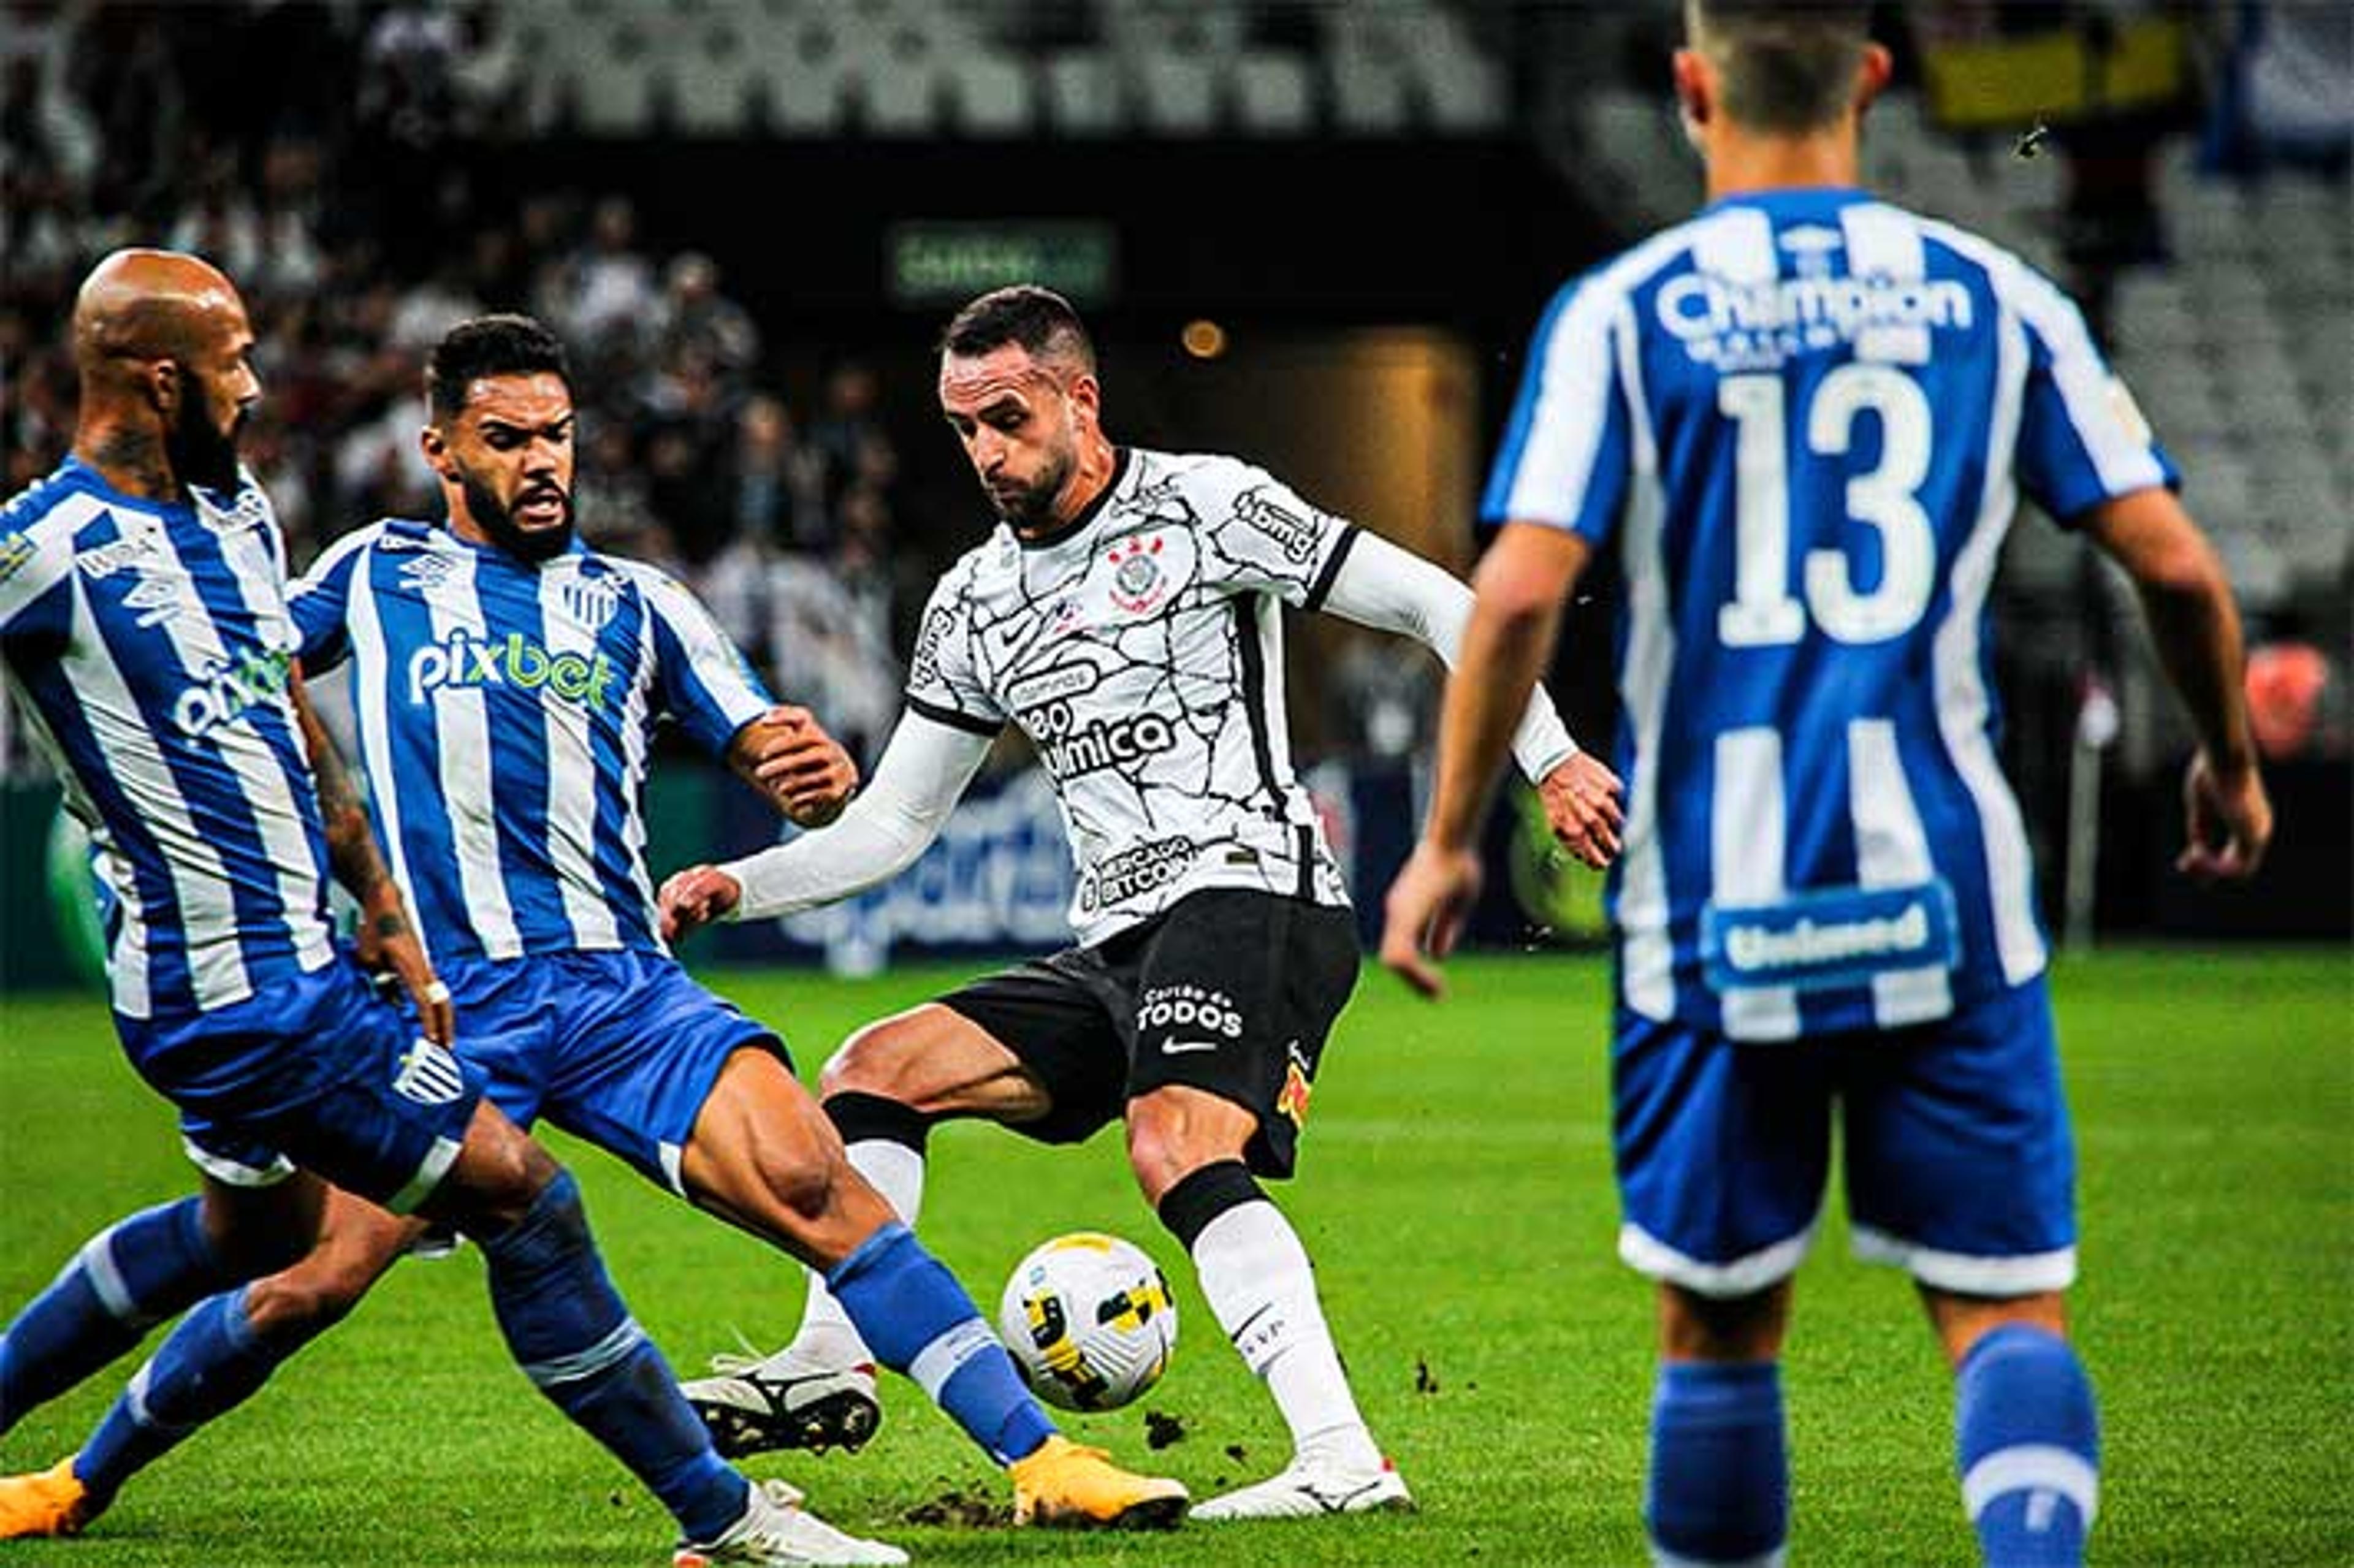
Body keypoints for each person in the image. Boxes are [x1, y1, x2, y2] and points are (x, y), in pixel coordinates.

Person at [0, 304, 1186, 1555]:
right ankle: (79, 1477)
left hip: (623, 990)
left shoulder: (641, 603)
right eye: (506, 437)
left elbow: (764, 737)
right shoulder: (368, 573)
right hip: (449, 1009)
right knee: (308, 1275)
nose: (542, 461)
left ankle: (1044, 1459)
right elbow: (226, 677)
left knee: (811, 1178)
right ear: (441, 449)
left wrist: (807, 774)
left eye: (557, 435)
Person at [1378, 7, 2274, 1566]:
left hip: (1716, 911)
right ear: (1875, 77)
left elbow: (1516, 597)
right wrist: (2228, 759)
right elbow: (2181, 572)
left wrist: (1452, 840)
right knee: (2003, 1312)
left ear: (1689, 84)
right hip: (1947, 898)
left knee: (1719, 1330)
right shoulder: (1996, 298)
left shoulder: (1621, 312)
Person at [659, 284, 1627, 1520]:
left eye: (1006, 418)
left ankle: (1341, 1458)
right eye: (962, 428)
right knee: (872, 1066)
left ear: (1081, 398)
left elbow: (1442, 603)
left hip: (1253, 882)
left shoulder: (1206, 505)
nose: (985, 452)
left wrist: (1552, 758)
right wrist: (740, 882)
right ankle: (830, 1357)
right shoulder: (971, 603)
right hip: (1114, 940)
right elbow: (894, 826)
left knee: (1174, 1137)